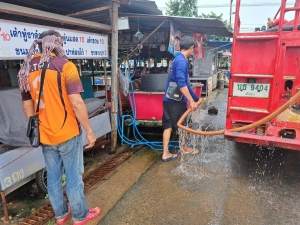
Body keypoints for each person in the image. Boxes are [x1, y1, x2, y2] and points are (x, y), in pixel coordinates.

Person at [18, 30, 101, 225]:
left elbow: (26, 105)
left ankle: (61, 215)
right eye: (61, 43)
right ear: (56, 44)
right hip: (67, 133)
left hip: (45, 136)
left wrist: (36, 131)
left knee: (54, 178)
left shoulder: (26, 69)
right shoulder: (65, 66)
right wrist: (89, 131)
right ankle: (80, 216)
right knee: (73, 177)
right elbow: (77, 103)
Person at [162, 36, 200, 162]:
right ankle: (184, 148)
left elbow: (186, 84)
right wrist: (191, 101)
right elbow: (181, 84)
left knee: (168, 124)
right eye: (193, 49)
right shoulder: (182, 61)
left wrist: (195, 98)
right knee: (182, 125)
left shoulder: (176, 59)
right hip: (176, 101)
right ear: (191, 48)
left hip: (168, 98)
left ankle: (166, 153)